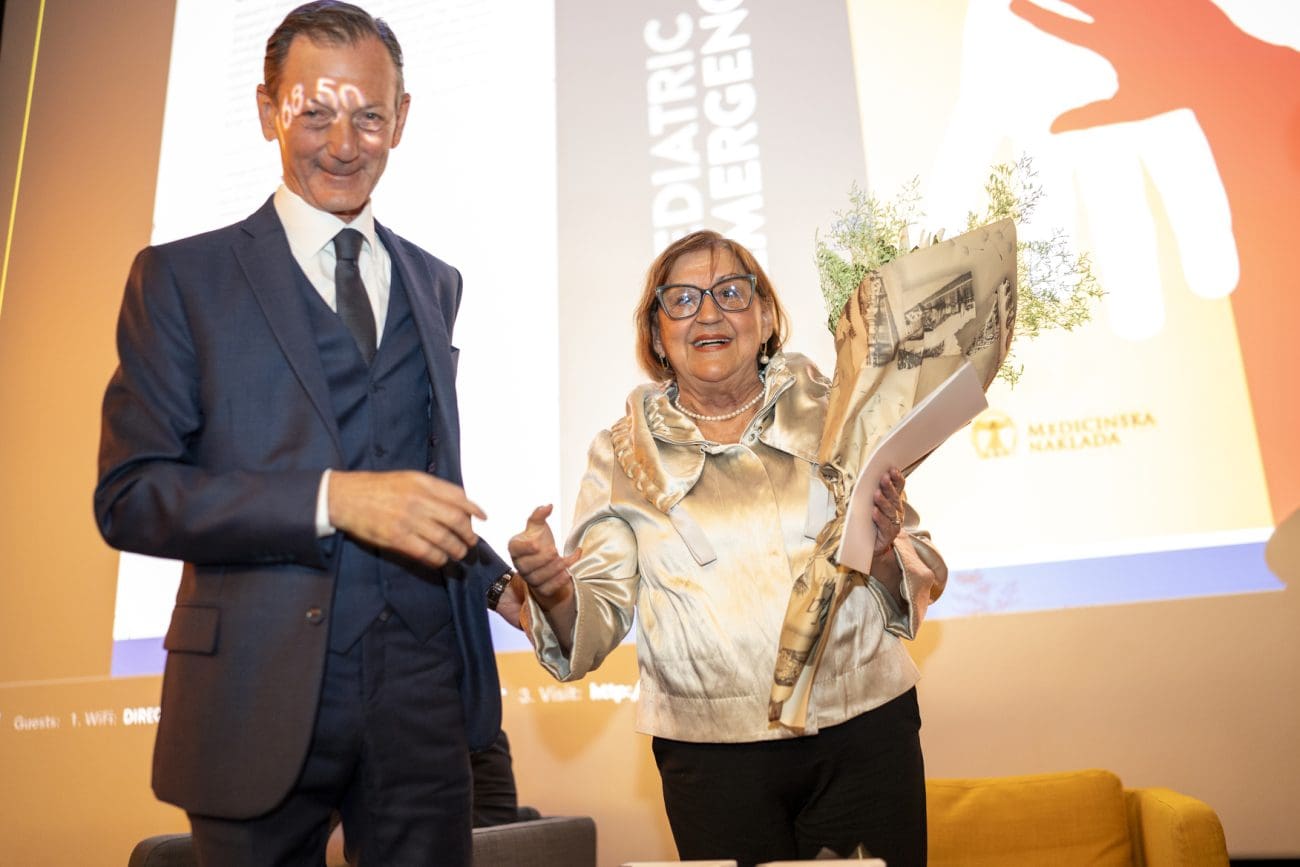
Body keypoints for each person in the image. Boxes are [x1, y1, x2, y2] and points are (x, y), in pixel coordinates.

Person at [93, 3, 511, 864]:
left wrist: (506, 582)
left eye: (369, 116)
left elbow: (410, 480)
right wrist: (331, 500)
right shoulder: (181, 278)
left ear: (402, 118)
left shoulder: (436, 282)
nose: (344, 144)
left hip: (423, 702)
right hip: (253, 693)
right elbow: (133, 495)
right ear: (266, 110)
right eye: (315, 113)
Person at [507, 230, 947, 867]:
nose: (708, 314)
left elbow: (915, 555)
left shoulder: (839, 409)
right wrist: (553, 590)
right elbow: (596, 617)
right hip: (711, 761)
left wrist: (882, 550)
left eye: (732, 293)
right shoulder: (623, 454)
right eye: (682, 300)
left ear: (765, 317)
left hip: (864, 731)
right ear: (658, 335)